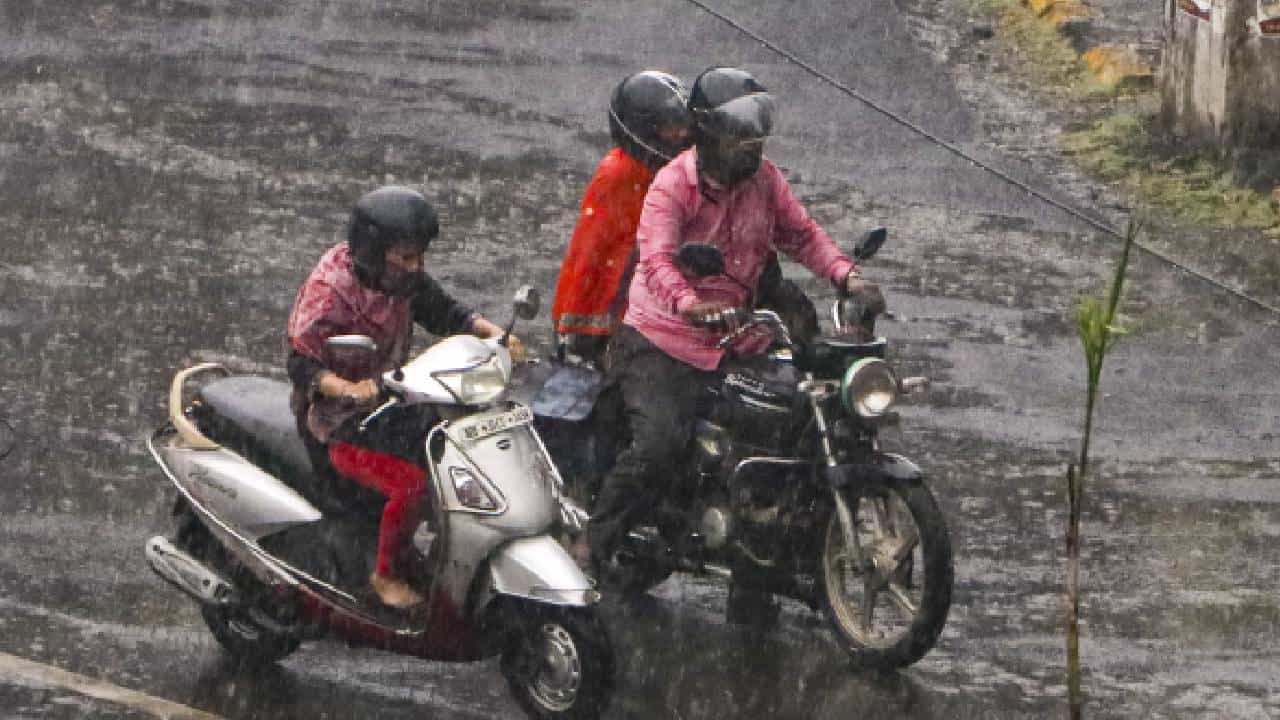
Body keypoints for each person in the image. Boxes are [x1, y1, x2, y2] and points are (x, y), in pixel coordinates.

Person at [586, 67, 885, 621]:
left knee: (789, 427)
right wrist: (687, 301)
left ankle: (756, 571)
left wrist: (847, 277)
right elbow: (655, 259)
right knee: (659, 445)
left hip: (737, 336)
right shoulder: (673, 184)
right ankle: (590, 550)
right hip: (661, 340)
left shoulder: (765, 181)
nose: (750, 147)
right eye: (738, 135)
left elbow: (802, 235)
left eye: (756, 136)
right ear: (706, 133)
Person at [286, 185, 519, 609]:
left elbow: (442, 310)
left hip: (387, 400)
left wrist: (492, 334)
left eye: (420, 257)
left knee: (453, 451)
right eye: (407, 257)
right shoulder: (330, 293)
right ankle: (384, 574)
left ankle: (409, 546)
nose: (417, 267)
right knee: (411, 485)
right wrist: (345, 387)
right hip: (338, 421)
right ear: (377, 254)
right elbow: (301, 365)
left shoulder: (398, 278)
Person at [551, 70, 693, 367]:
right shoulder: (620, 176)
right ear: (642, 129)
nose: (681, 135)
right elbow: (592, 257)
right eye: (670, 127)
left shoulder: (665, 173)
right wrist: (580, 334)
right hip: (606, 327)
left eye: (683, 125)